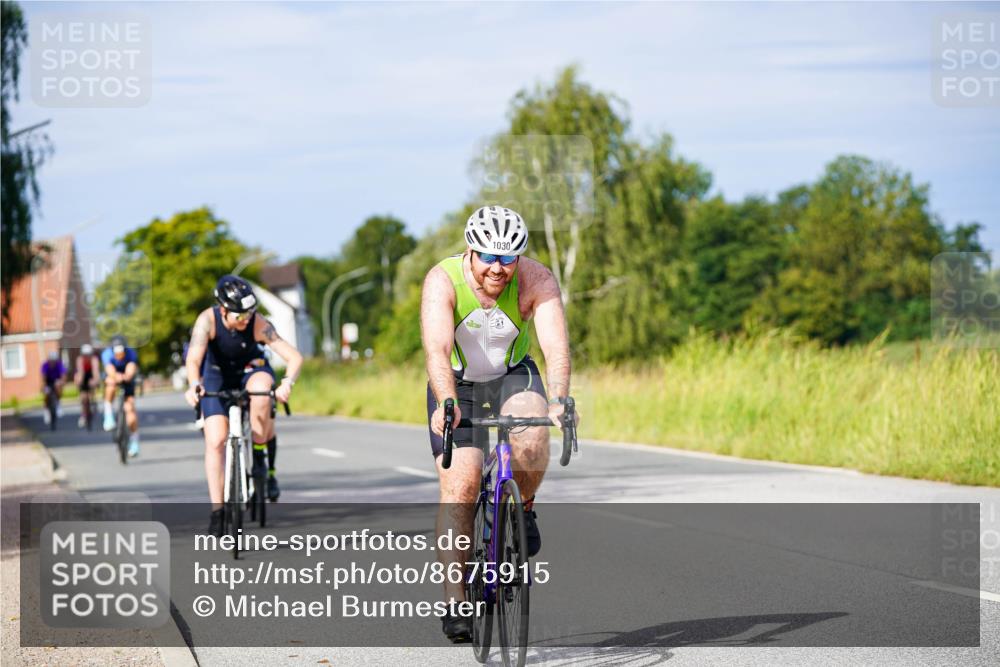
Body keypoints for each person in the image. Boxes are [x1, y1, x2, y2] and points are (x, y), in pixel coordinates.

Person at [421, 205, 577, 642]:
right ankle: (455, 601)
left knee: (532, 436)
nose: (497, 268)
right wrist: (447, 401)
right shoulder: (442, 280)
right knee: (462, 485)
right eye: (488, 256)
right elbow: (436, 350)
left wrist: (561, 399)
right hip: (457, 382)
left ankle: (523, 506)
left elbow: (555, 346)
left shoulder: (536, 279)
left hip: (513, 374)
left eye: (508, 258)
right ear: (470, 250)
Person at [183, 275, 302, 537]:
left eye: (250, 313)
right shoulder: (207, 321)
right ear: (223, 310)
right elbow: (193, 360)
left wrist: (287, 383)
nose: (246, 319)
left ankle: (259, 454)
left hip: (251, 370)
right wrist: (194, 385)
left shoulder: (258, 324)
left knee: (261, 393)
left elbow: (294, 356)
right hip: (216, 375)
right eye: (240, 315)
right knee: (216, 441)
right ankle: (218, 511)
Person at [101, 335, 141, 457]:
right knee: (110, 384)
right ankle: (108, 414)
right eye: (116, 353)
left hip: (127, 379)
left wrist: (127, 376)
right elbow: (109, 369)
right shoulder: (107, 354)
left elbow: (131, 368)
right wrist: (115, 376)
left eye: (121, 352)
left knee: (130, 410)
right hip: (113, 377)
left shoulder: (131, 353)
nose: (119, 355)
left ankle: (134, 441)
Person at [74, 344, 100, 428]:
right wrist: (79, 382)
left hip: (91, 375)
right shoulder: (80, 360)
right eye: (85, 355)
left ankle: (93, 401)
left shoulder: (94, 360)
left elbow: (95, 372)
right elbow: (80, 372)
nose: (87, 357)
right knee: (84, 397)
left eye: (88, 355)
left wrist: (95, 381)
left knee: (92, 388)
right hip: (83, 375)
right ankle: (84, 415)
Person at [40, 351, 66, 425]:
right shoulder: (45, 365)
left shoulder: (59, 365)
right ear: (49, 360)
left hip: (57, 381)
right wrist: (44, 387)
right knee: (46, 394)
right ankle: (46, 412)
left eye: (54, 360)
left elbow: (63, 376)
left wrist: (62, 383)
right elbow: (43, 378)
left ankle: (58, 404)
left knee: (58, 386)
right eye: (51, 360)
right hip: (48, 381)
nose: (53, 362)